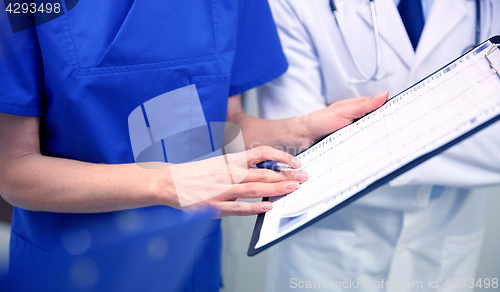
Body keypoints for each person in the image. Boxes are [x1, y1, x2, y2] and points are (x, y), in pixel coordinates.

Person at [0, 0, 387, 290]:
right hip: (71, 265)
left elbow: (226, 127)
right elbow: (14, 171)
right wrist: (168, 184)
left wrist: (303, 130)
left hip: (187, 261)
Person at [258, 0, 500, 291]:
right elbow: (297, 159)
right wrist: (458, 120)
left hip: (445, 242)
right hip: (330, 252)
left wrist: (357, 144)